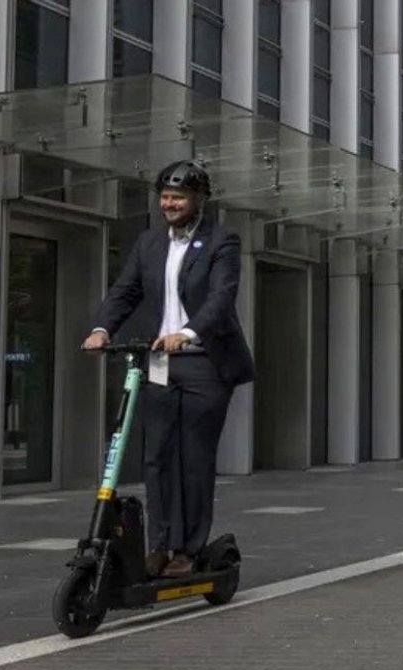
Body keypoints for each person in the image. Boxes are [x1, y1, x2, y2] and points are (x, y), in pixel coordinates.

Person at [83, 160, 255, 578]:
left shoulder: (221, 241)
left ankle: (189, 550)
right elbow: (126, 290)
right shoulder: (150, 242)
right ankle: (161, 544)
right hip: (160, 361)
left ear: (198, 199)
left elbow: (221, 297)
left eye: (178, 197)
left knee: (193, 458)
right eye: (164, 197)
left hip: (204, 362)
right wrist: (102, 329)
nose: (169, 204)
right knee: (157, 456)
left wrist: (188, 332)